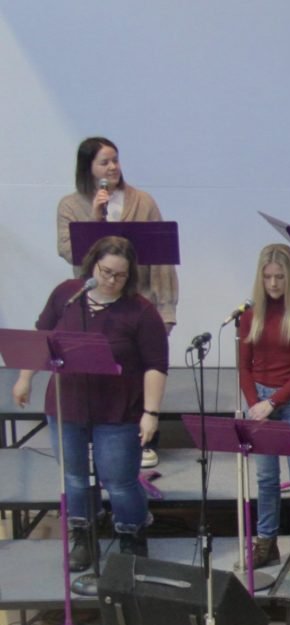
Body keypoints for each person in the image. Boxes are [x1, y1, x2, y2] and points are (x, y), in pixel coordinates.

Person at [12, 236, 167, 565]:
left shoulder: (140, 311)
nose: (111, 280)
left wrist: (151, 412)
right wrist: (25, 379)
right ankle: (84, 535)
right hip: (68, 405)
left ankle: (131, 536)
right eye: (106, 272)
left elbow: (156, 365)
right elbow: (42, 336)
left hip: (118, 410)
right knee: (75, 478)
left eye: (120, 276)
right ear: (92, 265)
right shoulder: (67, 296)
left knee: (119, 481)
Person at [57, 136, 178, 468]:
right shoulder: (70, 205)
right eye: (103, 162)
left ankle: (145, 440)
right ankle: (98, 440)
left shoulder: (143, 201)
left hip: (141, 302)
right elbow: (71, 253)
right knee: (98, 370)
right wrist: (95, 220)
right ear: (88, 168)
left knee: (142, 369)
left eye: (115, 160)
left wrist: (168, 307)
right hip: (95, 305)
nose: (112, 167)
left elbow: (163, 259)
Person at [238, 244, 290, 578]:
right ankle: (266, 541)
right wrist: (254, 404)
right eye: (268, 276)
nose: (273, 284)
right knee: (265, 477)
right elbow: (244, 367)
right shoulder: (249, 314)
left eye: (280, 277)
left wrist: (274, 403)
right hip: (259, 400)